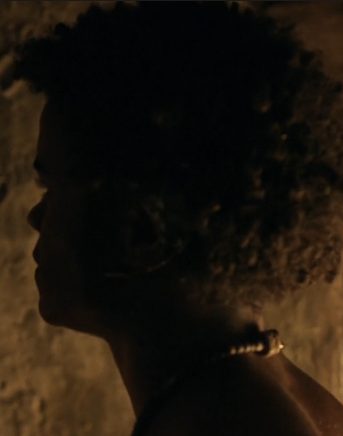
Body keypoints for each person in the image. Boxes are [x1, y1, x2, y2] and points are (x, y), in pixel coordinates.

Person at [17, 2, 343, 435]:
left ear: (144, 231)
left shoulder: (219, 422)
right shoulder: (254, 394)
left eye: (53, 187)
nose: (36, 216)